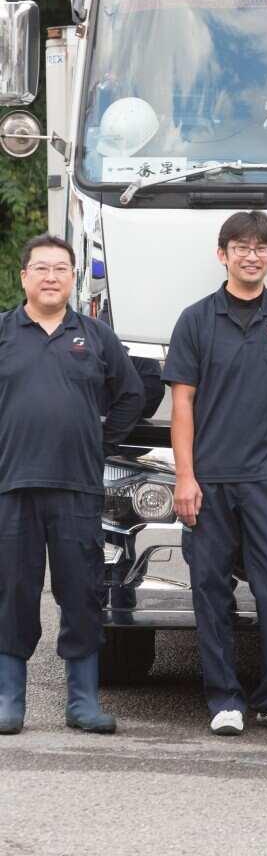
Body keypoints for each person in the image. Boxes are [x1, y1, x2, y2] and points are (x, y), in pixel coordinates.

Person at [163, 210, 267, 736]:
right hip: (208, 481)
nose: (252, 255)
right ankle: (224, 700)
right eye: (241, 246)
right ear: (223, 255)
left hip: (266, 479)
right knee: (211, 589)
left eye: (262, 247)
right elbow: (182, 407)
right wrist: (184, 478)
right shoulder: (195, 319)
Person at [0, 234, 145, 735]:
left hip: (78, 488)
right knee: (12, 591)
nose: (50, 277)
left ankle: (82, 702)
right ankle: (8, 700)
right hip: (13, 486)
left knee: (81, 591)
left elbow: (132, 395)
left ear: (72, 278)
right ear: (24, 277)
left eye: (61, 268)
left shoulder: (96, 335)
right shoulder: (3, 332)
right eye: (40, 268)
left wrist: (97, 442)